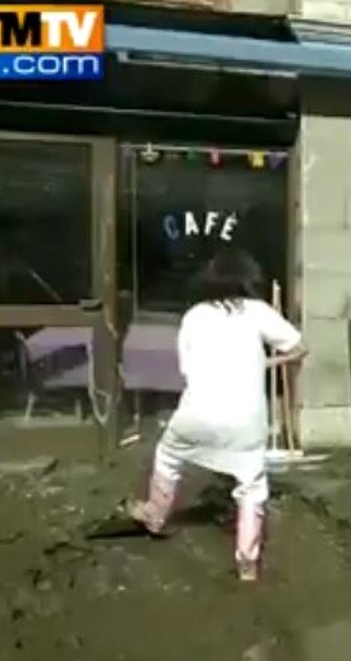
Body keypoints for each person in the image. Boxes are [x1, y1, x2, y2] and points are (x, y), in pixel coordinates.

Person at [125, 248, 307, 582]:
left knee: (168, 455)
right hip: (246, 424)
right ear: (247, 279)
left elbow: (186, 370)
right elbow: (299, 347)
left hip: (197, 414)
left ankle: (154, 515)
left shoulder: (194, 316)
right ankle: (247, 564)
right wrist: (268, 362)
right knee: (252, 487)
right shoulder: (258, 312)